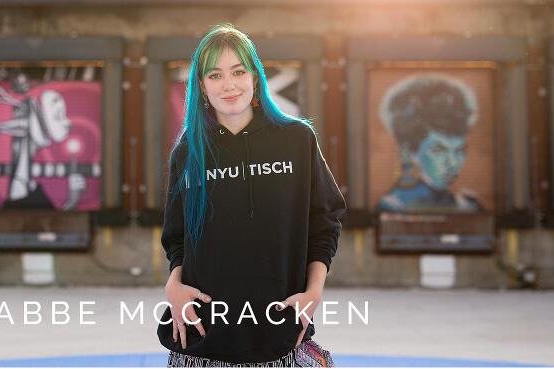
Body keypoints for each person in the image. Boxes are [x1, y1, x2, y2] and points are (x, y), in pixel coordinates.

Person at [158, 23, 346, 367]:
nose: (228, 85)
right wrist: (174, 285)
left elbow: (325, 220)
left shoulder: (296, 140)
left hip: (278, 336)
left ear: (255, 77)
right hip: (203, 340)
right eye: (215, 75)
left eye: (238, 71)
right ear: (202, 86)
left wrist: (313, 291)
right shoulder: (188, 152)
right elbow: (176, 238)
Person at [375, 74, 482, 212]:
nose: (452, 163)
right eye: (439, 151)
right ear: (411, 152)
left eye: (459, 151)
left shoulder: (470, 206)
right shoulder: (392, 207)